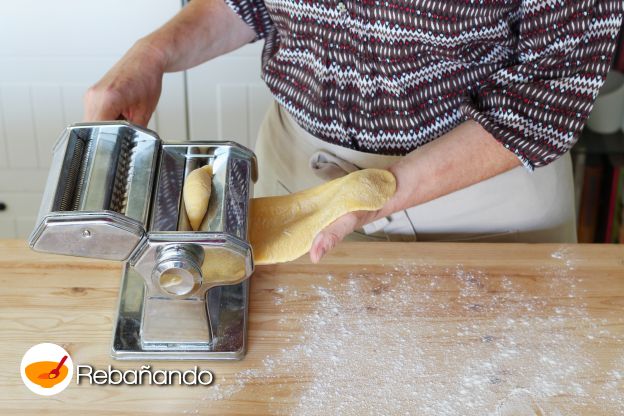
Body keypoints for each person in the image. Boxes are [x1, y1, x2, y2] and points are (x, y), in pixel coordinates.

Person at [84, 0, 623, 262]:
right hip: (299, 180)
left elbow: (549, 91)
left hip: (480, 202)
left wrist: (382, 192)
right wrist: (152, 54)